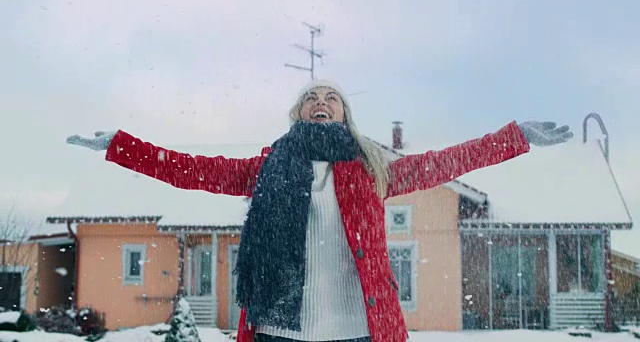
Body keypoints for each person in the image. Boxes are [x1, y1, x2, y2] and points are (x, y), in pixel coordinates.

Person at [66, 79, 573, 342]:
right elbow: (191, 169)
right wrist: (122, 146)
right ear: (298, 113)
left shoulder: (374, 168)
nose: (322, 101)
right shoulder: (269, 166)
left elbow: (447, 162)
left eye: (333, 97)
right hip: (279, 330)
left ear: (345, 113)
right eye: (312, 97)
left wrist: (515, 138)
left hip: (356, 329)